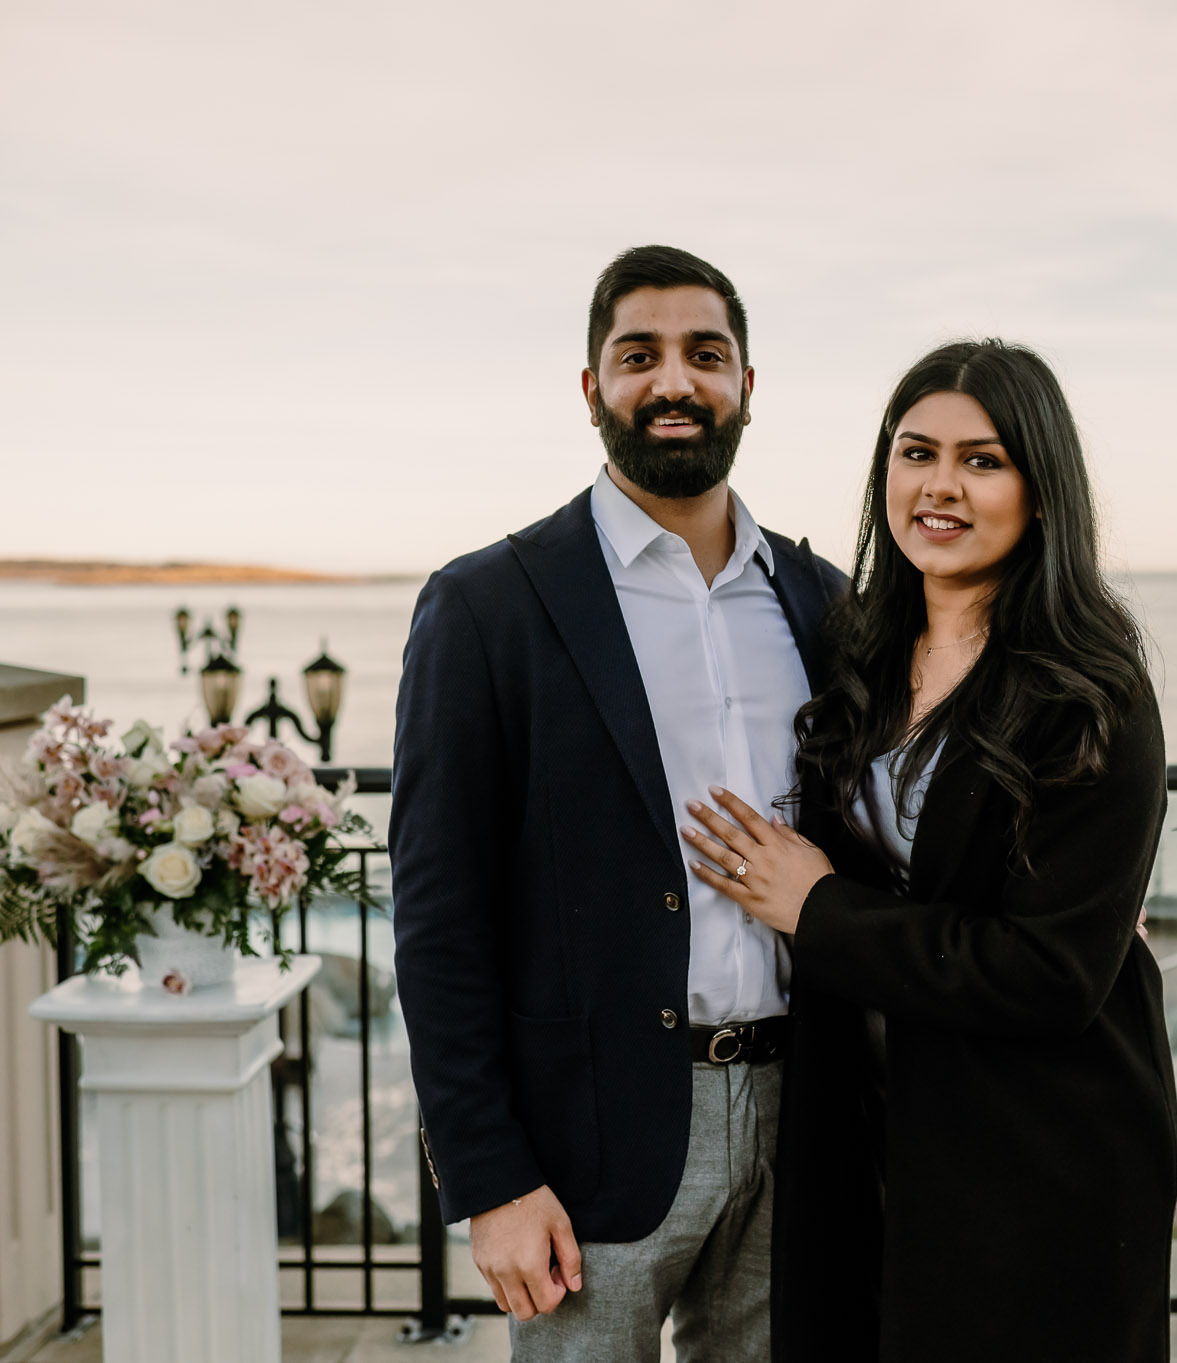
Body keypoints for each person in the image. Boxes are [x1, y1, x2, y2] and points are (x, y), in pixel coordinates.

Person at [679, 339, 1177, 1362]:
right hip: (864, 1132)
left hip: (1039, 1150)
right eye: (915, 454)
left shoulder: (1090, 694)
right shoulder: (849, 648)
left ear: (1041, 491)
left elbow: (1049, 973)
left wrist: (816, 911)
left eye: (982, 460)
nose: (939, 486)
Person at [391, 244, 844, 1362]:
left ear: (747, 386)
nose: (673, 382)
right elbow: (438, 916)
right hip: (588, 1142)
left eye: (706, 354)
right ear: (592, 389)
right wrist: (490, 1177)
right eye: (638, 355)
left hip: (807, 1119)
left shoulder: (822, 600)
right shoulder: (487, 605)